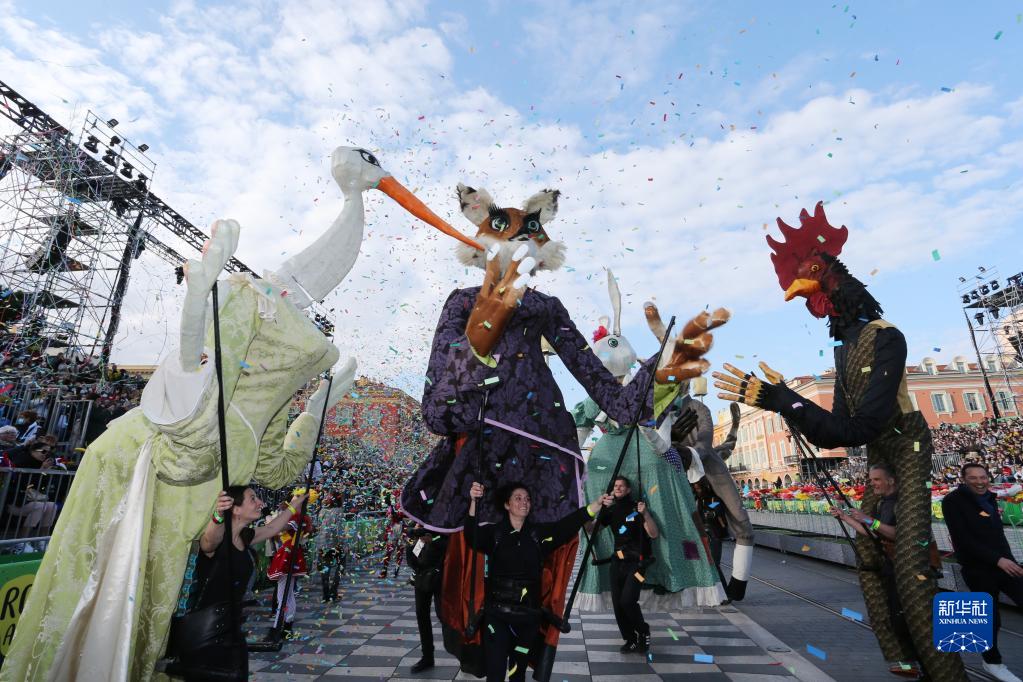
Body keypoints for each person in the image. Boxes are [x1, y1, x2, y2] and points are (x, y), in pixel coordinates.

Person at [467, 480, 610, 682]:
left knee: (517, 673)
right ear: (507, 504)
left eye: (527, 499)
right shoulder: (493, 534)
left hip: (527, 619)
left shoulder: (539, 535)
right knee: (495, 672)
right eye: (518, 498)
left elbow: (567, 525)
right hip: (496, 617)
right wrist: (474, 501)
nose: (524, 502)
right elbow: (470, 535)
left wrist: (596, 504)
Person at [177, 486, 307, 679]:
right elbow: (209, 541)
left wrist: (294, 505)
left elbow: (272, 528)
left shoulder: (245, 536)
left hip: (232, 631)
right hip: (207, 635)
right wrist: (219, 514)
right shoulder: (218, 540)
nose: (260, 503)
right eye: (253, 498)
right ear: (235, 509)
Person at [831, 463, 921, 679]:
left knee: (909, 620)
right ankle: (914, 665)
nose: (873, 484)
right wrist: (845, 518)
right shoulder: (882, 503)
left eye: (877, 480)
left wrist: (868, 519)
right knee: (897, 619)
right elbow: (874, 532)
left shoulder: (902, 502)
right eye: (871, 481)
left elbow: (899, 533)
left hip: (909, 568)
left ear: (891, 480)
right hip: (891, 567)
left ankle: (921, 664)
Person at [941, 462, 1023, 682]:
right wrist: (998, 560)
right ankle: (992, 662)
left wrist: (1011, 561)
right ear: (963, 480)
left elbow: (998, 536)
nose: (980, 482)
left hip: (1005, 564)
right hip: (978, 569)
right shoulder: (952, 501)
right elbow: (963, 540)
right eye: (973, 478)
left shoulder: (989, 498)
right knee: (990, 618)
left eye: (983, 477)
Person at [595, 476, 659, 653]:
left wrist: (645, 514)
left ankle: (643, 631)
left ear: (629, 489)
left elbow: (654, 534)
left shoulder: (638, 507)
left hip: (638, 565)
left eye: (622, 486)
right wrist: (594, 509)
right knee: (618, 604)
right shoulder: (610, 510)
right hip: (617, 563)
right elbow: (591, 529)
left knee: (628, 601)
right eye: (615, 485)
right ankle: (631, 639)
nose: (618, 488)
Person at [406, 523, 449, 673]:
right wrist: (414, 538)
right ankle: (427, 656)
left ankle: (463, 652)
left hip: (442, 575)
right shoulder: (418, 524)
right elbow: (412, 558)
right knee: (421, 614)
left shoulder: (443, 518)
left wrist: (433, 539)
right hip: (422, 576)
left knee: (445, 615)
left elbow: (451, 544)